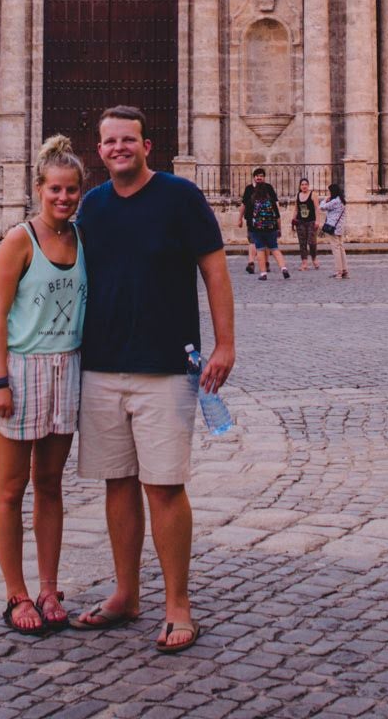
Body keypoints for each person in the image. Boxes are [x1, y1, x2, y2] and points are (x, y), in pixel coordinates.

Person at [66, 105, 233, 656]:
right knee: (117, 483)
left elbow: (214, 269)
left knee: (163, 485)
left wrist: (225, 345)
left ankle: (178, 605)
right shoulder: (90, 207)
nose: (119, 148)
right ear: (100, 151)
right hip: (103, 365)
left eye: (128, 140)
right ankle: (126, 593)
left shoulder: (180, 198)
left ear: (147, 145)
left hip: (166, 366)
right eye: (110, 141)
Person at [0, 135, 89, 635]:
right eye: (55, 190)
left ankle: (49, 588)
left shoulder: (83, 238)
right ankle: (16, 594)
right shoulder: (18, 240)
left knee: (50, 485)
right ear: (38, 189)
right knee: (11, 487)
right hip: (20, 373)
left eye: (71, 191)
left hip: (65, 369)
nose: (63, 198)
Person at [244, 173, 285, 281]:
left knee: (260, 250)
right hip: (271, 228)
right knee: (275, 249)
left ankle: (263, 273)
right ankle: (283, 268)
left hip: (257, 229)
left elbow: (247, 216)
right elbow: (277, 216)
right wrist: (279, 229)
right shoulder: (271, 201)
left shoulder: (252, 200)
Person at [238, 170, 270, 275]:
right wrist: (240, 218)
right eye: (257, 176)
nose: (259, 178)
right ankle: (251, 263)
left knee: (265, 242)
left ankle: (266, 263)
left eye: (261, 176)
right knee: (252, 241)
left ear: (264, 177)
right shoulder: (249, 189)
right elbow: (244, 205)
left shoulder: (268, 188)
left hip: (266, 219)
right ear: (254, 177)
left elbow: (275, 203)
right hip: (251, 219)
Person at [319, 179, 348, 279]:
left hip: (332, 228)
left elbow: (321, 207)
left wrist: (325, 200)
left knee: (336, 250)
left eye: (329, 192)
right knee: (341, 249)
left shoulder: (335, 201)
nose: (329, 193)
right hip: (339, 228)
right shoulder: (342, 201)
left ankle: (338, 271)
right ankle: (344, 270)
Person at [290, 180, 318, 272]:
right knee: (302, 243)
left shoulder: (313, 195)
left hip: (311, 221)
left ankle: (314, 258)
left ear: (308, 185)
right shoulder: (297, 195)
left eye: (306, 184)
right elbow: (296, 209)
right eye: (302, 184)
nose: (304, 186)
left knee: (311, 242)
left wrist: (317, 221)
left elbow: (317, 208)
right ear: (300, 186)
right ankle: (304, 263)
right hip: (300, 222)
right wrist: (293, 220)